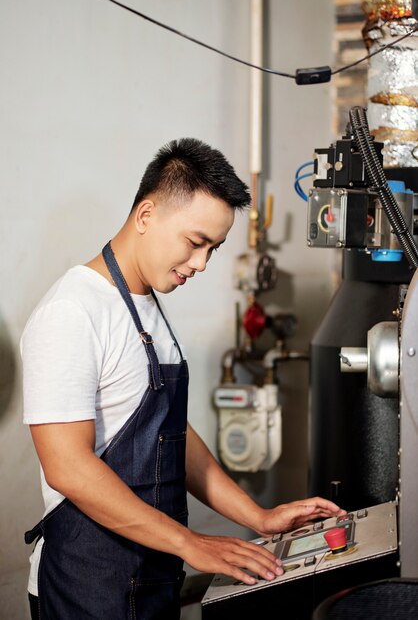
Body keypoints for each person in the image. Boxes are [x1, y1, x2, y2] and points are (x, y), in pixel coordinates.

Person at [21, 137, 345, 620]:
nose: (201, 264)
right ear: (146, 216)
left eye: (213, 248)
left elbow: (169, 432)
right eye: (195, 243)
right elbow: (66, 466)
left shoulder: (148, 306)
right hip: (88, 585)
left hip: (154, 575)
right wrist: (189, 543)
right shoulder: (73, 311)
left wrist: (257, 516)